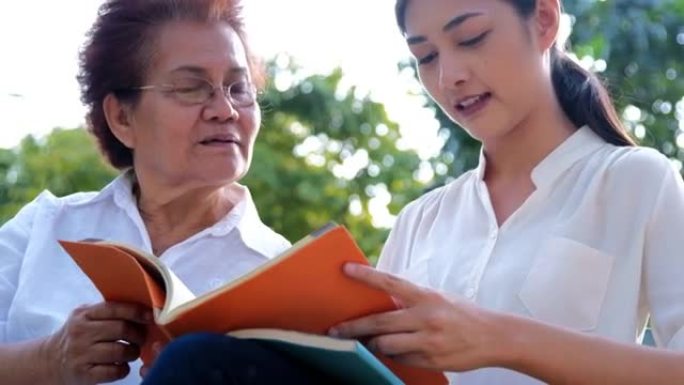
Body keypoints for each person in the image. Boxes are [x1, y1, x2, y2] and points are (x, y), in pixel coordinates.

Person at [329, 0, 684, 384]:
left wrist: (502, 338)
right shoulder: (419, 221)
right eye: (426, 56)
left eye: (471, 38)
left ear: (545, 20)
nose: (449, 77)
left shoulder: (633, 180)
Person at [0, 0, 335, 384]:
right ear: (122, 118)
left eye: (239, 88)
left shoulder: (283, 278)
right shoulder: (42, 229)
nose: (224, 110)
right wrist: (48, 359)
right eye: (192, 88)